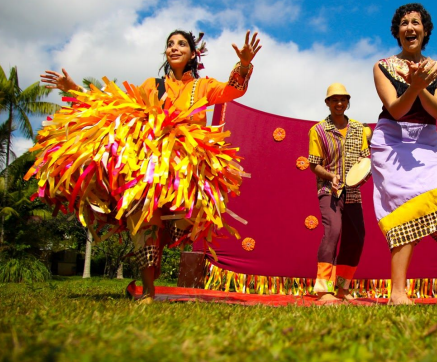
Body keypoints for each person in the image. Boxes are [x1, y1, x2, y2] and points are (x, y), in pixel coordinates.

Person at [41, 29, 261, 302]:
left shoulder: (203, 87)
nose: (175, 48)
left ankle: (161, 250)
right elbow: (114, 105)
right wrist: (73, 89)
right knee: (146, 222)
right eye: (170, 44)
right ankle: (147, 290)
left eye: (181, 44)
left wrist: (244, 64)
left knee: (180, 223)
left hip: (187, 169)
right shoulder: (151, 86)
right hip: (149, 165)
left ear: (193, 53)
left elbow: (234, 90)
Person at [371, 3, 437, 305]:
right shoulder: (382, 66)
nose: (410, 27)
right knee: (405, 210)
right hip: (392, 141)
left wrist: (420, 86)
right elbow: (396, 108)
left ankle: (398, 290)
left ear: (425, 30)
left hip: (426, 142)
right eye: (404, 23)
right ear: (397, 32)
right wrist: (413, 87)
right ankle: (397, 292)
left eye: (416, 22)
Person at [307, 83, 370, 302]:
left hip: (353, 192)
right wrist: (331, 177)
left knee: (356, 238)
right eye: (334, 100)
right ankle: (324, 290)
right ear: (327, 103)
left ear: (348, 102)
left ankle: (342, 289)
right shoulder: (318, 130)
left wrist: (364, 172)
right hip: (329, 190)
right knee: (333, 231)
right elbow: (313, 164)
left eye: (343, 99)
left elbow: (365, 159)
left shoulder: (360, 129)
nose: (339, 103)